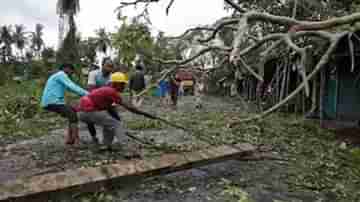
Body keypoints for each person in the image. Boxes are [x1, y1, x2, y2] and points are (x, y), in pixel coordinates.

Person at [77, 72, 154, 151]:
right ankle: (126, 147)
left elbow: (111, 110)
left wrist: (118, 120)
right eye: (122, 84)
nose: (124, 86)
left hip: (82, 113)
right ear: (116, 84)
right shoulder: (111, 91)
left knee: (109, 124)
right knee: (116, 124)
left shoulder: (106, 90)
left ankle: (106, 145)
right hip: (88, 112)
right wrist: (145, 114)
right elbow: (129, 107)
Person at [41, 63, 88, 145]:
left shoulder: (57, 76)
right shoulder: (61, 74)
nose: (71, 74)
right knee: (72, 114)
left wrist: (83, 94)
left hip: (51, 101)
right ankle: (76, 140)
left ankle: (70, 139)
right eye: (71, 71)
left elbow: (72, 90)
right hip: (53, 101)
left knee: (72, 111)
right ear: (66, 68)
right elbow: (72, 86)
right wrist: (88, 94)